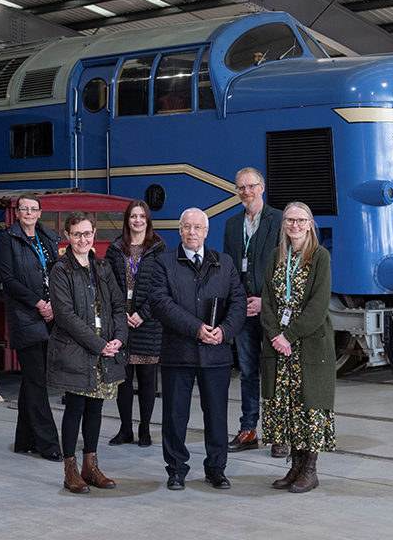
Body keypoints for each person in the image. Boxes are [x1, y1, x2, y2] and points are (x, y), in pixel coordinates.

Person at [149, 208, 246, 491]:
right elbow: (160, 303)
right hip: (178, 353)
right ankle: (176, 469)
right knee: (175, 415)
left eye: (197, 227)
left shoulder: (224, 263)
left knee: (216, 415)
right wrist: (196, 328)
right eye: (186, 227)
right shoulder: (163, 263)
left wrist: (225, 330)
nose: (192, 232)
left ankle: (216, 469)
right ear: (179, 231)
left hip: (215, 354)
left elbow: (239, 302)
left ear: (206, 232)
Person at [47, 211, 127, 494]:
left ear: (95, 235)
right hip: (77, 350)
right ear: (67, 236)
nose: (83, 239)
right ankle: (70, 470)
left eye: (88, 233)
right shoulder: (61, 269)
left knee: (96, 407)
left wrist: (118, 338)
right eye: (77, 234)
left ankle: (90, 466)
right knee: (76, 407)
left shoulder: (102, 267)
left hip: (105, 350)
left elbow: (118, 306)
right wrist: (98, 344)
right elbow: (65, 316)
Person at [259, 201, 335, 493]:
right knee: (287, 407)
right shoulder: (275, 256)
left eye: (301, 220)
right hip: (280, 349)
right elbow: (267, 300)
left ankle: (310, 470)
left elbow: (318, 305)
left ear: (310, 224)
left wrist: (288, 335)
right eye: (290, 220)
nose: (295, 225)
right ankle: (295, 466)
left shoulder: (319, 256)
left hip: (308, 345)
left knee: (310, 407)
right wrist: (275, 334)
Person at [222, 168, 285, 457]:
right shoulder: (232, 225)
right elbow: (229, 269)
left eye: (250, 186)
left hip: (270, 310)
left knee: (275, 370)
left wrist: (266, 301)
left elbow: (286, 269)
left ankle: (279, 432)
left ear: (262, 187)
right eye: (241, 188)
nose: (246, 192)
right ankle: (248, 429)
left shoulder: (280, 220)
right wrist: (238, 302)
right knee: (248, 371)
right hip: (243, 310)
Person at [0, 194, 62, 462]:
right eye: (24, 209)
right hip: (26, 316)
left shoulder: (47, 237)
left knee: (33, 381)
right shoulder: (8, 239)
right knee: (37, 381)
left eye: (33, 209)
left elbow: (57, 272)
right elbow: (8, 279)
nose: (29, 213)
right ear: (17, 212)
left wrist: (54, 304)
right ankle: (49, 444)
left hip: (50, 315)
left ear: (39, 212)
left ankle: (24, 440)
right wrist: (38, 303)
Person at [104, 200, 167, 447]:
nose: (137, 220)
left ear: (148, 220)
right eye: (133, 216)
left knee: (148, 379)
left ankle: (145, 430)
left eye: (142, 216)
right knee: (124, 380)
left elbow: (162, 287)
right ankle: (125, 429)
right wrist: (121, 315)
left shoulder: (159, 248)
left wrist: (143, 313)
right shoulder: (116, 248)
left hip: (148, 323)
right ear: (127, 220)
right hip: (121, 322)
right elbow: (109, 285)